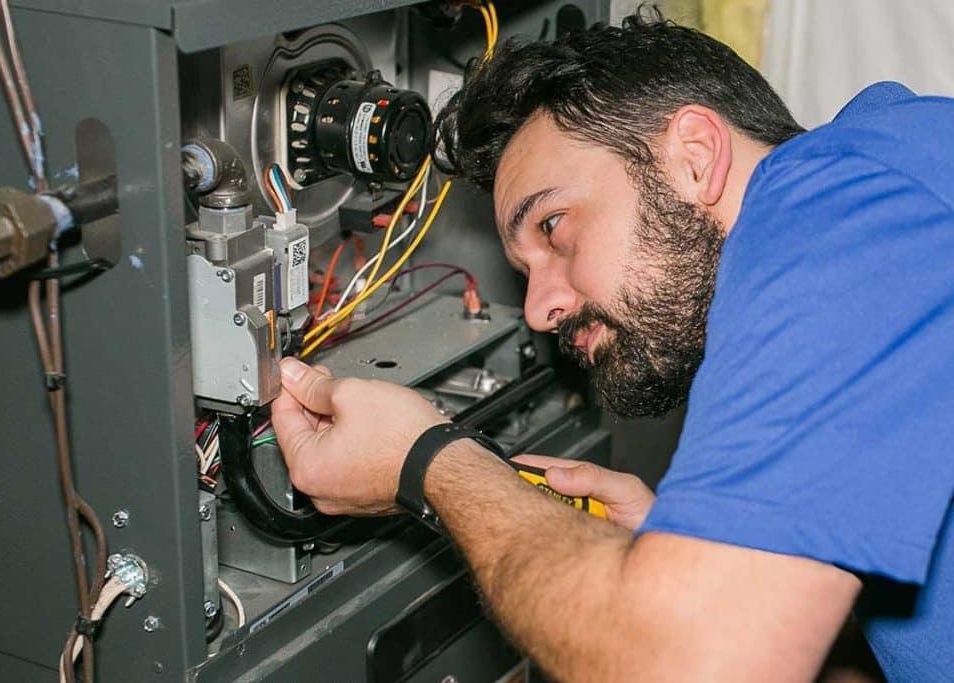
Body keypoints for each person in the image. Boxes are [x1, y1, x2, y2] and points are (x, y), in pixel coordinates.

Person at [271, 11, 954, 682]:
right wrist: (697, 549)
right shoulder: (887, 167)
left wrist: (427, 462)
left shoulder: (840, 215)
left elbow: (684, 664)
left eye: (554, 223)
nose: (540, 310)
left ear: (696, 155)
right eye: (524, 269)